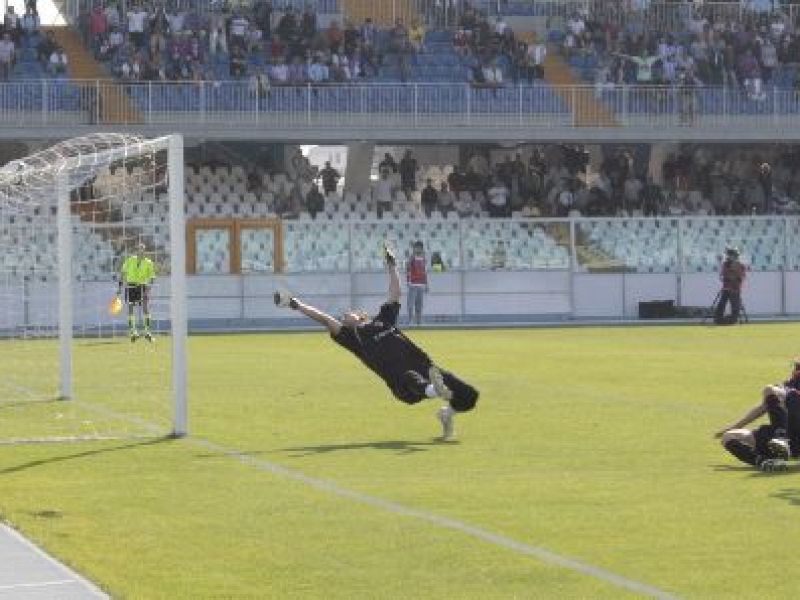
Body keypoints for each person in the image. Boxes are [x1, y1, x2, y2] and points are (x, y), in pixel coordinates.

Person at [273, 246, 479, 440]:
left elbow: (396, 293)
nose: (344, 315)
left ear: (362, 315)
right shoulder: (353, 339)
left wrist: (392, 265)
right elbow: (325, 319)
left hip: (427, 368)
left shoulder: (383, 320)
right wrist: (296, 304)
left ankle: (446, 413)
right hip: (403, 386)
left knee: (469, 396)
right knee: (411, 377)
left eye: (348, 313)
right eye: (343, 316)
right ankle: (435, 390)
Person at [715, 359, 800, 471]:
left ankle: (782, 439)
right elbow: (763, 407)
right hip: (775, 440)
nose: (795, 370)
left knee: (777, 391)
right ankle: (765, 462)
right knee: (728, 437)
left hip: (795, 435)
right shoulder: (788, 385)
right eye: (796, 367)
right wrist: (734, 427)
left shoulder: (790, 392)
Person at [117, 241, 156, 342]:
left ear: (144, 251)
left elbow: (152, 276)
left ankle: (147, 332)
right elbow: (123, 273)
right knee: (130, 308)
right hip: (131, 286)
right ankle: (133, 332)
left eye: (142, 249)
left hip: (143, 286)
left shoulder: (149, 262)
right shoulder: (130, 260)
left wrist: (149, 286)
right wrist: (119, 287)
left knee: (145, 307)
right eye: (139, 249)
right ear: (136, 250)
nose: (141, 251)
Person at [714, 246, 746, 325]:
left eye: (731, 255)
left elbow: (741, 277)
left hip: (735, 288)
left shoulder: (740, 265)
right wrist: (727, 277)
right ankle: (719, 319)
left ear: (735, 256)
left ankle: (733, 320)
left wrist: (733, 278)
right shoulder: (725, 265)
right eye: (728, 255)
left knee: (735, 305)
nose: (729, 257)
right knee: (721, 304)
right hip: (726, 288)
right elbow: (722, 276)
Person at [406, 240, 428, 325]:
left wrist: (426, 284)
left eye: (420, 248)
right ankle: (410, 320)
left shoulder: (423, 259)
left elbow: (424, 272)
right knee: (411, 304)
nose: (418, 250)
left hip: (421, 284)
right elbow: (408, 270)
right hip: (413, 284)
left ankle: (419, 321)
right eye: (416, 248)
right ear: (414, 249)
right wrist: (408, 281)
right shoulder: (412, 258)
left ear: (422, 249)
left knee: (419, 305)